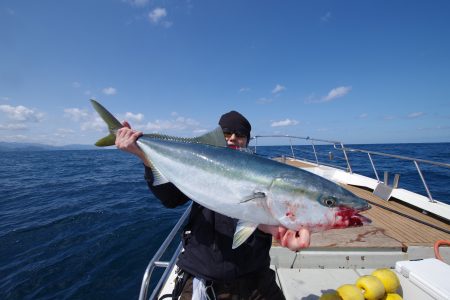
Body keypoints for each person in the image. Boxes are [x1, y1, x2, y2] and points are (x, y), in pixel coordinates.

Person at [115, 111, 310, 299]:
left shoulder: (261, 173)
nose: (233, 138)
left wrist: (281, 227)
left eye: (240, 135)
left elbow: (272, 213)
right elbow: (171, 200)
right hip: (203, 276)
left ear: (247, 141)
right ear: (217, 137)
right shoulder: (199, 167)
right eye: (226, 133)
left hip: (255, 277)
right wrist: (144, 156)